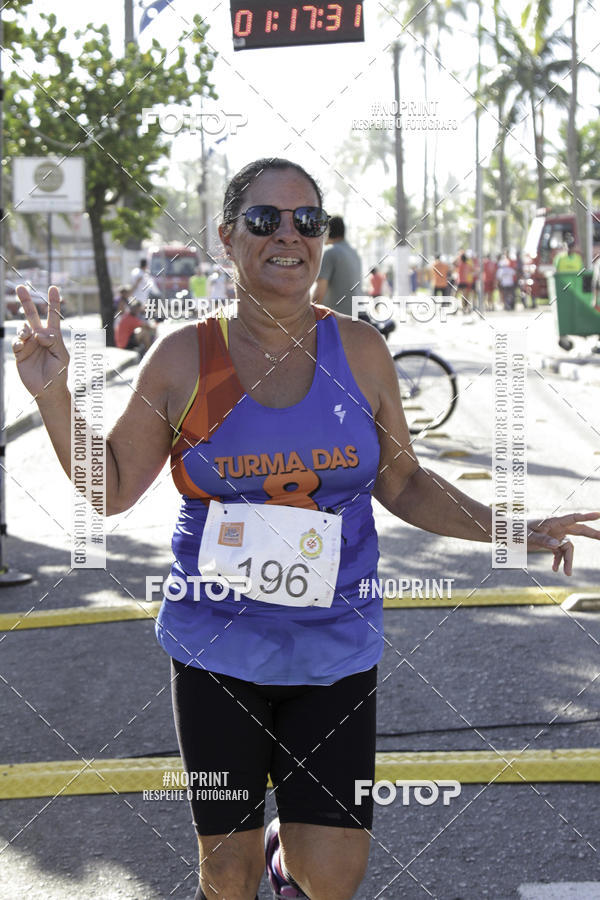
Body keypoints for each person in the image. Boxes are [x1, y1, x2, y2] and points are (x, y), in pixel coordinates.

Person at [13, 157, 600, 900]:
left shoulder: (360, 352)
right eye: (264, 220)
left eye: (306, 220)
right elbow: (113, 490)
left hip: (336, 646)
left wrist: (510, 527)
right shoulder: (184, 357)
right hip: (216, 645)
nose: (287, 235)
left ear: (322, 238)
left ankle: (286, 861)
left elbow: (404, 480)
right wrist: (54, 396)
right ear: (228, 238)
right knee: (225, 873)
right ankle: (249, 860)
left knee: (333, 876)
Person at [312, 214, 362, 316]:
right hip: (357, 317)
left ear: (328, 231)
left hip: (337, 320)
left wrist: (305, 316)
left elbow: (319, 293)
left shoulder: (331, 252)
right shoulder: (354, 253)